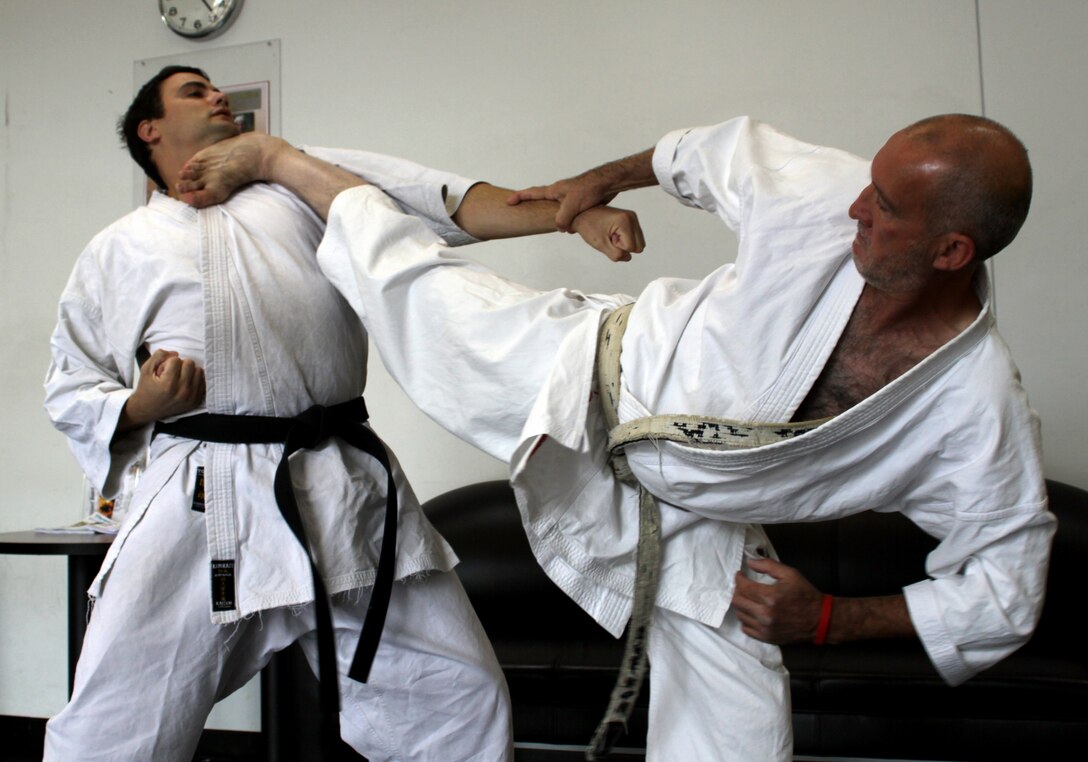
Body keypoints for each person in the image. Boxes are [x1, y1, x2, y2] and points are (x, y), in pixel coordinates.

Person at [178, 114, 1054, 761]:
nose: (855, 205)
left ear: (952, 251)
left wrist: (826, 617)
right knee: (403, 274)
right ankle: (280, 160)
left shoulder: (973, 409)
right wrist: (598, 182)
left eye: (888, 207)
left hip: (688, 512)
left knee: (742, 722)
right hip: (579, 370)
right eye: (870, 183)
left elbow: (1007, 587)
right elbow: (710, 150)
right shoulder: (825, 197)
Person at [42, 65, 640, 762]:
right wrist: (141, 403)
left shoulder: (297, 181)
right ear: (150, 130)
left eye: (216, 88)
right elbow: (69, 382)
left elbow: (445, 201)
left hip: (339, 484)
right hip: (197, 503)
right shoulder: (118, 248)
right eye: (193, 90)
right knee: (114, 727)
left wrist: (573, 211)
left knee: (456, 700)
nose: (215, 96)